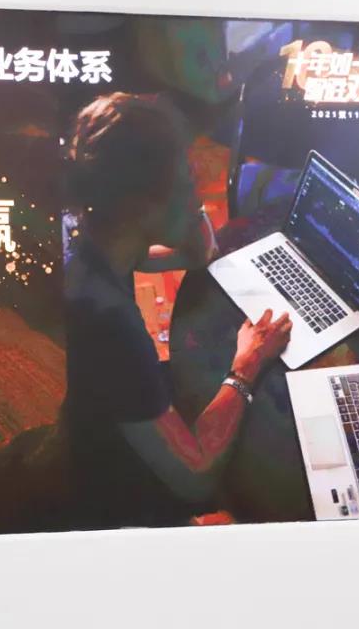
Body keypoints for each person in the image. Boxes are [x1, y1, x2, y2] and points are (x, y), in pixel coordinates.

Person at [60, 92, 291, 528]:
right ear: (138, 205)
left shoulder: (97, 232)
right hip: (108, 487)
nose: (196, 193)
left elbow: (199, 254)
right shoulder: (107, 319)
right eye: (185, 185)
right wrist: (246, 365)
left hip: (103, 416)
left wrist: (186, 205)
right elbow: (194, 475)